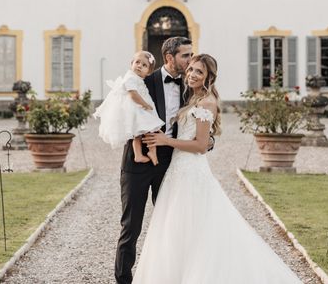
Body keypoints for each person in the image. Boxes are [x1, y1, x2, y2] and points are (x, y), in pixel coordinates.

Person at [134, 54, 303, 284]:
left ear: (209, 77)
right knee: (176, 229)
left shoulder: (206, 103)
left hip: (191, 171)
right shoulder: (194, 97)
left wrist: (166, 141)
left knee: (191, 229)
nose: (192, 74)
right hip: (179, 170)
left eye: (199, 72)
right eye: (191, 69)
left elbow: (201, 146)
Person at [114, 36, 192, 284]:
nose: (191, 60)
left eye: (191, 55)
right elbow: (124, 112)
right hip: (136, 162)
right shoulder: (143, 79)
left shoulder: (191, 86)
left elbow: (202, 124)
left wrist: (207, 143)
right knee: (131, 227)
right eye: (186, 55)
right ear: (170, 58)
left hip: (170, 162)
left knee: (170, 223)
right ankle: (123, 279)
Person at [93, 50, 166, 165]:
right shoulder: (130, 78)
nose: (139, 66)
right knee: (149, 128)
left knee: (137, 134)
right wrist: (145, 104)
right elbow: (133, 95)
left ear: (148, 72)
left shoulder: (137, 78)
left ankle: (138, 155)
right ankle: (152, 152)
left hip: (139, 107)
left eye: (144, 65)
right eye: (137, 62)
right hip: (137, 107)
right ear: (131, 63)